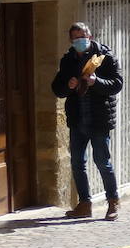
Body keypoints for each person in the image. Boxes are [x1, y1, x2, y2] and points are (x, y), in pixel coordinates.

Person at [50, 22, 123, 221]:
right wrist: (68, 85)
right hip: (77, 119)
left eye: (82, 36)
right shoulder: (68, 60)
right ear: (71, 41)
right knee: (76, 163)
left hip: (98, 120)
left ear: (89, 37)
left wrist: (95, 82)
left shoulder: (105, 57)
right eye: (75, 38)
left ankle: (113, 202)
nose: (80, 41)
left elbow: (117, 84)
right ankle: (84, 203)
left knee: (102, 162)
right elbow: (57, 89)